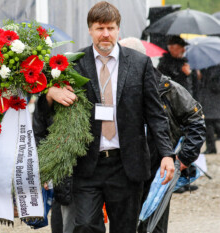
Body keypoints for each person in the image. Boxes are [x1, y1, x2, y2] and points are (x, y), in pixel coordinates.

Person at [34, 2, 175, 233]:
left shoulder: (139, 64)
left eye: (110, 28)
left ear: (118, 29)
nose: (105, 34)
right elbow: (45, 115)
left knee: (125, 228)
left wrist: (167, 154)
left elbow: (156, 114)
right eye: (100, 28)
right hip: (88, 164)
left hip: (126, 164)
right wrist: (49, 93)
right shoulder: (74, 64)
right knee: (86, 225)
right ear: (90, 30)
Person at [119, 37, 206, 233]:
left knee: (154, 227)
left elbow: (196, 120)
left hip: (159, 169)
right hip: (125, 169)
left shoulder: (168, 88)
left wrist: (184, 158)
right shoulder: (116, 88)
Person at [197, 64, 220, 154]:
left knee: (211, 124)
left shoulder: (217, 69)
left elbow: (217, 86)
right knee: (208, 124)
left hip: (214, 100)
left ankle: (211, 148)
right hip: (206, 100)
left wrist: (208, 80)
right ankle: (211, 148)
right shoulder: (205, 68)